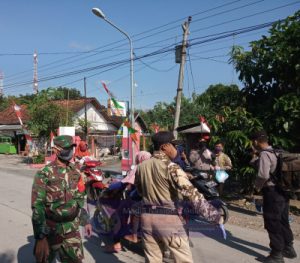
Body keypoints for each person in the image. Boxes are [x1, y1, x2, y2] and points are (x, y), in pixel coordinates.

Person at [135, 131, 222, 263]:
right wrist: (215, 217)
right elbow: (193, 195)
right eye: (173, 145)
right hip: (167, 219)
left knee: (152, 260)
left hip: (147, 219)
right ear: (164, 147)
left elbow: (140, 191)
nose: (176, 149)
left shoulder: (141, 167)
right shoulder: (171, 167)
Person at [31, 135, 92, 263]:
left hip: (72, 228)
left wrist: (85, 221)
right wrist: (40, 236)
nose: (70, 151)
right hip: (50, 229)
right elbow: (38, 206)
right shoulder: (44, 173)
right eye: (66, 148)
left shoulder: (75, 172)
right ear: (56, 150)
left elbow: (80, 198)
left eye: (71, 147)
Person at [250, 130, 297, 263]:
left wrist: (257, 186)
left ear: (255, 141)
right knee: (283, 220)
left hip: (272, 192)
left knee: (272, 222)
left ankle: (276, 255)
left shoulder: (265, 154)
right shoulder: (277, 152)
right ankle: (289, 249)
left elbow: (263, 175)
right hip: (283, 191)